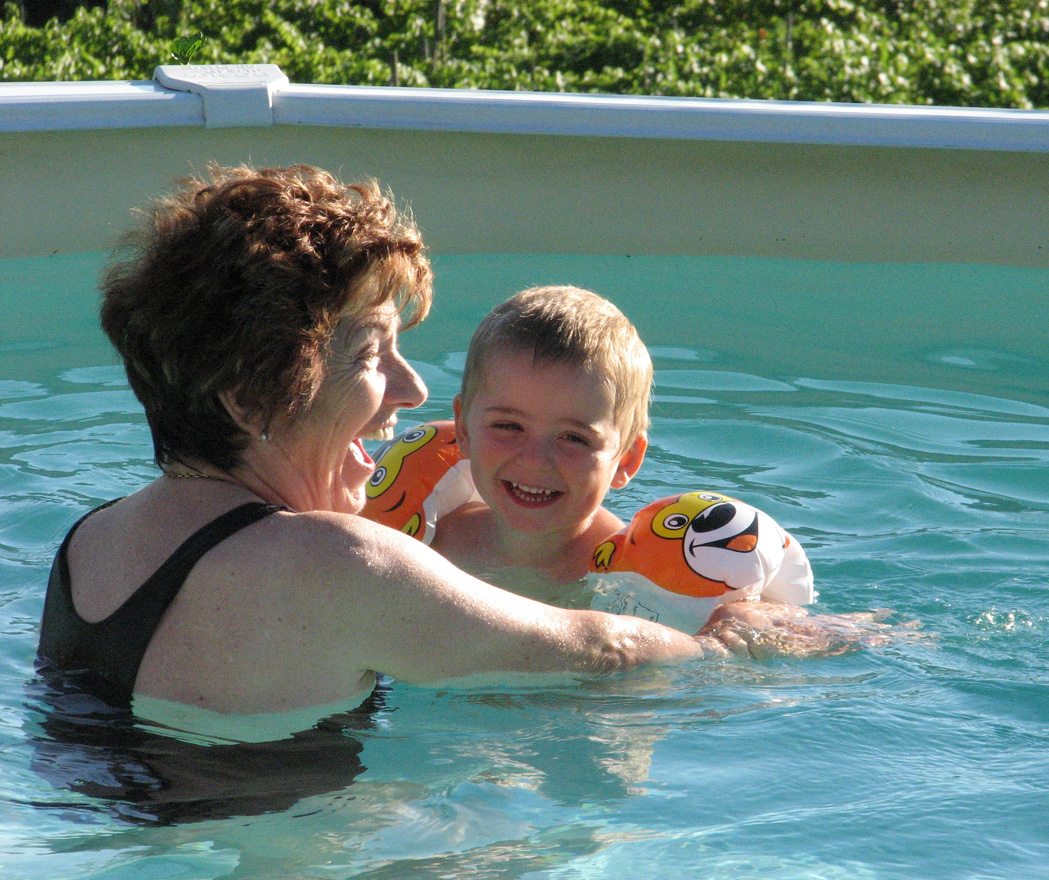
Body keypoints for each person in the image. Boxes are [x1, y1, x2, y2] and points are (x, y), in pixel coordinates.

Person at [36, 164, 820, 721]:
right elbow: (599, 648)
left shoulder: (89, 543)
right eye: (373, 355)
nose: (411, 393)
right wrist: (722, 651)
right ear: (252, 399)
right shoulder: (342, 562)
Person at [428, 286, 649, 584]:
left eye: (573, 438)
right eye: (508, 426)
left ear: (626, 460)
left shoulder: (631, 570)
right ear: (464, 429)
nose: (534, 459)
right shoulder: (435, 539)